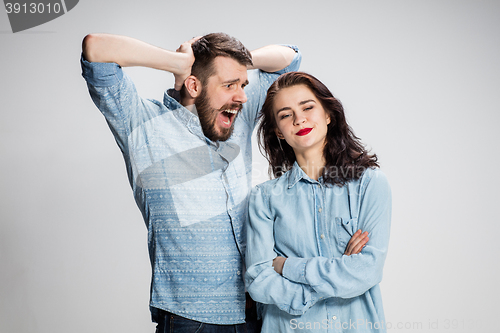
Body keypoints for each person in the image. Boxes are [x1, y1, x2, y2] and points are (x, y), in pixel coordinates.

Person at [80, 32, 301, 332]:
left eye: (243, 84)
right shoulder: (142, 125)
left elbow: (289, 59)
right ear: (194, 85)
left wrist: (236, 61)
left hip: (257, 314)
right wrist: (178, 63)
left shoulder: (238, 117)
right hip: (190, 320)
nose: (243, 96)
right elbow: (96, 50)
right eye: (229, 85)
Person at [245, 72, 392, 332]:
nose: (299, 119)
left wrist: (287, 266)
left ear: (328, 114)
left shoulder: (370, 184)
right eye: (285, 114)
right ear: (278, 131)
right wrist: (333, 278)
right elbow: (259, 280)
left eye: (307, 107)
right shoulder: (264, 198)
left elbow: (367, 270)